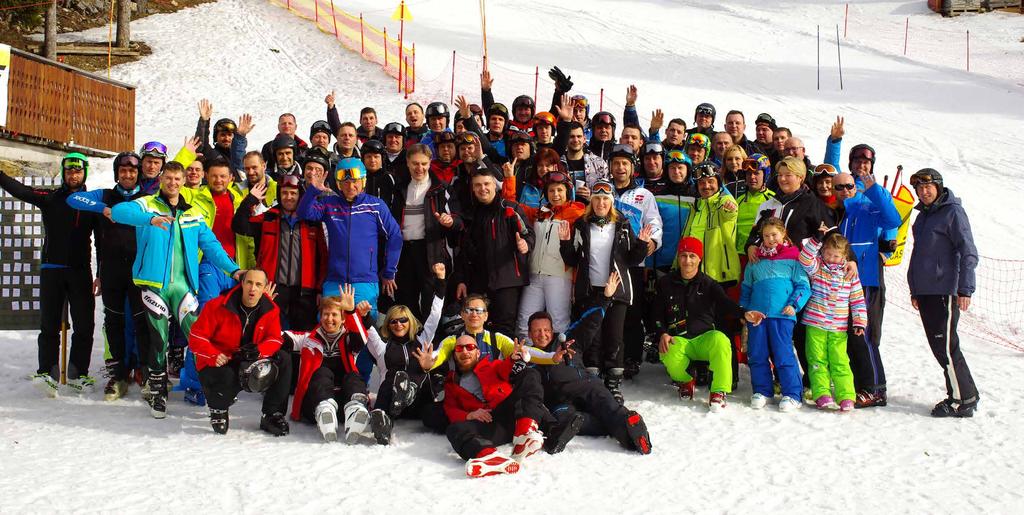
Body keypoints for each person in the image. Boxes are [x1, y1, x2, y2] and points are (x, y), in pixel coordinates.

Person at [111, 161, 243, 418]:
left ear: (184, 182)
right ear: (161, 179)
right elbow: (118, 212)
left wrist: (234, 270)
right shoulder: (146, 203)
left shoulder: (193, 213)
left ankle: (212, 389)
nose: (173, 183)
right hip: (154, 286)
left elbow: (213, 245)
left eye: (177, 179)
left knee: (198, 337)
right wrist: (150, 219)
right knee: (159, 339)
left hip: (183, 287)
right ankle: (158, 391)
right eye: (168, 178)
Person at [1, 153, 99, 395]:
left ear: (84, 173)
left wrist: (103, 272)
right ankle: (47, 371)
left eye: (77, 171)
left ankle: (78, 373)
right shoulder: (51, 197)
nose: (73, 175)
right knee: (49, 326)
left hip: (80, 271)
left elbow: (103, 241)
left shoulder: (91, 202)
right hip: (52, 270)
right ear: (64, 173)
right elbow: (21, 191)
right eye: (69, 171)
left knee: (85, 325)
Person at [525, 272, 653, 455]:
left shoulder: (567, 340)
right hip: (559, 400)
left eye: (546, 330)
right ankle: (618, 427)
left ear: (553, 330)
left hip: (585, 386)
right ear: (529, 334)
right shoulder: (528, 356)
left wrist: (605, 298)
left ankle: (634, 437)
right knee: (566, 419)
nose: (542, 334)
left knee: (606, 405)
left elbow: (589, 322)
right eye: (536, 331)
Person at [65, 152, 149, 400]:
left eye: (132, 171)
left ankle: (144, 372)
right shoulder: (105, 196)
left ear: (138, 174)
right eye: (123, 171)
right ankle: (119, 374)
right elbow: (74, 199)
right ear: (117, 173)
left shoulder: (146, 199)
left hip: (139, 271)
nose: (128, 175)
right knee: (113, 323)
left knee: (142, 323)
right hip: (111, 271)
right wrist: (103, 209)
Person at [559, 180, 649, 402]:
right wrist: (564, 243)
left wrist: (642, 245)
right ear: (591, 202)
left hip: (616, 288)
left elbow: (631, 259)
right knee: (592, 336)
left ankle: (613, 381)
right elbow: (572, 259)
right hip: (590, 290)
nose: (601, 203)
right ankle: (592, 379)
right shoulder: (582, 224)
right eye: (597, 199)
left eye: (605, 199)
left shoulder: (623, 224)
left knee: (614, 337)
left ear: (611, 203)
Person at [652, 237, 764, 412]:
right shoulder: (665, 283)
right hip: (679, 339)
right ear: (678, 257)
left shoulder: (709, 283)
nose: (687, 261)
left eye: (692, 256)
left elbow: (726, 303)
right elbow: (656, 313)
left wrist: (744, 313)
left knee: (721, 341)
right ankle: (686, 381)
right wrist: (662, 333)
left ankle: (718, 390)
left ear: (699, 258)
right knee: (667, 350)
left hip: (704, 337)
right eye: (683, 255)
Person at [906, 168, 979, 418]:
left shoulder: (952, 212)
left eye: (928, 187)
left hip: (944, 289)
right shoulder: (923, 217)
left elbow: (968, 250)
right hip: (926, 290)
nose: (924, 192)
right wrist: (915, 288)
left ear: (938, 187)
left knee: (946, 347)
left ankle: (962, 400)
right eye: (920, 188)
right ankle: (964, 393)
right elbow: (919, 254)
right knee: (941, 347)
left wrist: (965, 288)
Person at [189, 269, 292, 435]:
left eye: (258, 284)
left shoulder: (271, 309)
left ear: (264, 287)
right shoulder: (217, 306)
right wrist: (212, 354)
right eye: (249, 282)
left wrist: (259, 351)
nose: (253, 288)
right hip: (221, 359)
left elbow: (275, 339)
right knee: (221, 377)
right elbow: (195, 336)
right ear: (242, 283)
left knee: (283, 359)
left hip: (249, 359)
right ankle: (219, 408)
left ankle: (272, 414)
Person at [832, 160, 901, 407]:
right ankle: (862, 384)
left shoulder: (868, 206)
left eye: (849, 186)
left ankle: (875, 388)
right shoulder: (844, 214)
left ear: (856, 186)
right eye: (838, 187)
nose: (844, 191)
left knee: (865, 335)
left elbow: (893, 219)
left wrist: (875, 191)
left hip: (867, 281)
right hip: (846, 285)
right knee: (852, 335)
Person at [299, 157, 402, 317]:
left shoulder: (375, 206)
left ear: (363, 181)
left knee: (364, 328)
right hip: (335, 280)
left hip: (364, 281)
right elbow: (305, 213)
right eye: (345, 182)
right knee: (329, 325)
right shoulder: (329, 203)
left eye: (355, 181)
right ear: (338, 184)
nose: (350, 186)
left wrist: (389, 271)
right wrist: (313, 190)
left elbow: (395, 236)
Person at [288, 289, 392, 443]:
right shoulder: (307, 339)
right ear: (320, 316)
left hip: (344, 401)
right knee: (321, 372)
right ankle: (325, 412)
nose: (329, 319)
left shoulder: (349, 338)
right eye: (326, 314)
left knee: (354, 376)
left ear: (343, 319)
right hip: (316, 403)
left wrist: (351, 312)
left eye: (334, 314)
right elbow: (278, 337)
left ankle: (355, 410)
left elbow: (361, 339)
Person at [442, 335, 548, 478]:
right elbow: (451, 409)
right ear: (455, 355)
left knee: (530, 374)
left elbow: (506, 368)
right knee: (454, 429)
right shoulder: (451, 384)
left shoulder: (492, 366)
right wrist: (470, 415)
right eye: (460, 348)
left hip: (510, 414)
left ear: (478, 352)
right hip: (488, 424)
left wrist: (512, 358)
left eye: (470, 347)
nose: (465, 351)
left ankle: (524, 435)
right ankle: (489, 456)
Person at [232, 174, 327, 331]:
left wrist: (319, 289)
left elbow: (322, 258)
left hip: (305, 291)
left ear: (300, 195)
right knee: (269, 332)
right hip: (273, 289)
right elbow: (239, 226)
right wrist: (251, 199)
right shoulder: (269, 218)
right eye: (284, 193)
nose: (288, 197)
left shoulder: (312, 222)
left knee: (302, 336)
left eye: (293, 193)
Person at [366, 263, 449, 434]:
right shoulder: (383, 347)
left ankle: (409, 390)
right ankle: (382, 422)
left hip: (419, 401)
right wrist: (361, 314)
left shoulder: (422, 339)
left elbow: (435, 314)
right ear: (388, 325)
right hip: (393, 406)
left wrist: (440, 281)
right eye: (394, 321)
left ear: (410, 321)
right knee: (392, 378)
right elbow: (368, 331)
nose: (399, 324)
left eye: (403, 320)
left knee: (421, 385)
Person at [739, 218, 811, 412]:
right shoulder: (755, 259)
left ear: (783, 234)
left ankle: (792, 394)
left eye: (774, 235)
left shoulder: (793, 258)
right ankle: (763, 391)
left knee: (783, 353)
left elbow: (803, 286)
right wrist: (744, 310)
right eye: (766, 236)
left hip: (782, 314)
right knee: (758, 353)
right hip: (757, 315)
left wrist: (794, 305)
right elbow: (746, 286)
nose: (770, 239)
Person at [454, 171, 534, 336]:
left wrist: (525, 244)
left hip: (507, 279)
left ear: (495, 186)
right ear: (473, 189)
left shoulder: (510, 208)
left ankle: (503, 362)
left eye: (486, 184)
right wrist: (462, 279)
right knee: (477, 327)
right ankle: (483, 361)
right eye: (478, 185)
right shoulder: (471, 214)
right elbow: (464, 250)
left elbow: (528, 234)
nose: (483, 188)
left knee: (505, 328)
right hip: (479, 281)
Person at [798, 227, 867, 412]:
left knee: (840, 361)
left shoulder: (850, 273)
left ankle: (846, 396)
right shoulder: (818, 267)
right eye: (828, 254)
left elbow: (857, 298)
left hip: (838, 326)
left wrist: (860, 321)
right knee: (816, 360)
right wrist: (817, 238)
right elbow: (804, 258)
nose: (831, 259)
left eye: (836, 256)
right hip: (815, 323)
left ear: (844, 256)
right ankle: (822, 394)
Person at [514, 172, 586, 338]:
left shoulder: (577, 214)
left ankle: (559, 360)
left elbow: (581, 251)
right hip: (534, 275)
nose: (555, 195)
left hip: (560, 276)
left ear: (567, 192)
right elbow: (513, 207)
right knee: (525, 319)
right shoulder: (540, 213)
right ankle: (527, 360)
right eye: (551, 191)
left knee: (559, 321)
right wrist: (510, 179)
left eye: (560, 190)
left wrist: (576, 282)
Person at [393, 144, 461, 320]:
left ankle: (432, 342)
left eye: (423, 163)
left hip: (431, 250)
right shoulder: (399, 188)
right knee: (406, 300)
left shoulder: (441, 189)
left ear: (430, 163)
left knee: (431, 301)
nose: (419, 168)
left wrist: (450, 221)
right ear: (407, 163)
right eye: (415, 163)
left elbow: (459, 220)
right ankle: (409, 342)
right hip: (404, 251)